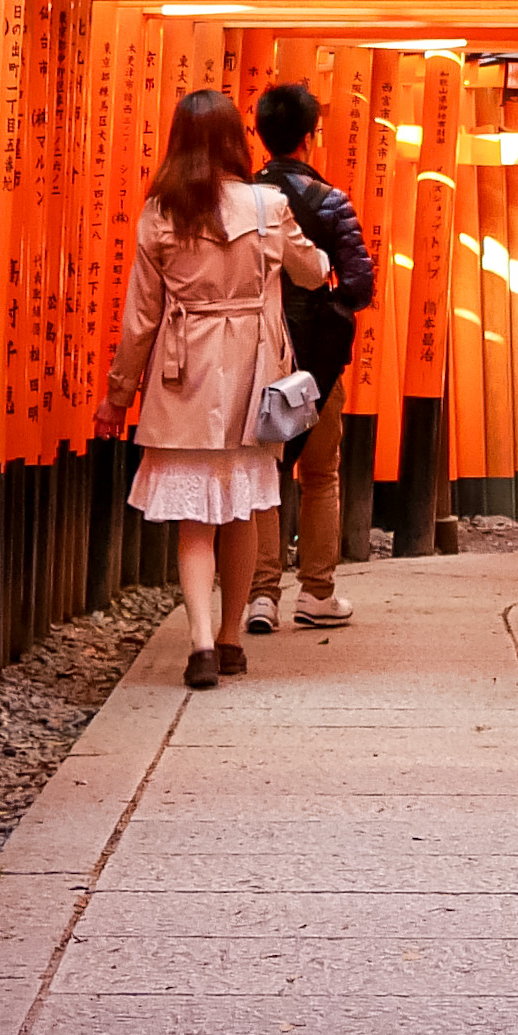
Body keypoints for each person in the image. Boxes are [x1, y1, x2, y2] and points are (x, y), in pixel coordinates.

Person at [97, 87, 334, 688]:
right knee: (245, 507)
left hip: (185, 374)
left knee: (195, 519)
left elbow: (142, 316)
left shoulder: (161, 210)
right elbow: (312, 270)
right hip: (255, 372)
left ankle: (200, 643)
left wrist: (118, 395)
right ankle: (232, 639)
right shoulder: (267, 205)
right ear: (236, 139)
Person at [241, 80, 374, 634]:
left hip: (257, 358)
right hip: (315, 363)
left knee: (262, 472)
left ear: (261, 136)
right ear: (310, 137)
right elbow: (361, 282)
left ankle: (261, 596)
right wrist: (332, 309)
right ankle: (316, 593)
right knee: (320, 474)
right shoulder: (331, 201)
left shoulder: (243, 201)